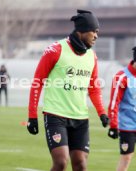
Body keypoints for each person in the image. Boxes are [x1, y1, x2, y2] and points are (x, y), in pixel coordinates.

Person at [26, 9, 109, 171]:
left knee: (80, 164)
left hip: (80, 118)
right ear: (82, 31)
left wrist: (102, 113)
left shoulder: (92, 56)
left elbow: (94, 89)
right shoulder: (55, 50)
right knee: (61, 162)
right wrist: (32, 116)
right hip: (56, 116)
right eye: (94, 31)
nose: (96, 36)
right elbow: (37, 82)